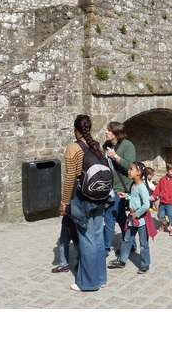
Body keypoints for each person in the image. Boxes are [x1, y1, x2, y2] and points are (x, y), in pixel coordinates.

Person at [65, 114, 107, 293]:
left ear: (76, 130)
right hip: (100, 197)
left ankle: (88, 283)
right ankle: (100, 277)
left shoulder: (73, 148)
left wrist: (64, 202)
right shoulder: (96, 146)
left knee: (87, 239)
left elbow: (69, 178)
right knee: (97, 237)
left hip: (83, 198)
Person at [108, 162, 153, 274]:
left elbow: (146, 205)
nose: (128, 171)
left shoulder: (142, 187)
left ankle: (145, 263)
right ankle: (122, 260)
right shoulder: (133, 185)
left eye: (131, 169)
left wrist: (137, 214)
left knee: (143, 243)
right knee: (127, 240)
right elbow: (134, 197)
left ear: (138, 172)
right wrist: (126, 196)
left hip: (141, 220)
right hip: (132, 219)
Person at [102, 121, 137, 256]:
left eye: (109, 130)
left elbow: (129, 166)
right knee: (121, 217)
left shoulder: (128, 146)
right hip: (108, 188)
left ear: (116, 133)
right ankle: (131, 244)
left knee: (110, 217)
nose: (106, 132)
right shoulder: (106, 145)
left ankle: (104, 249)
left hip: (120, 188)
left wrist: (115, 156)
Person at [151, 162, 172, 236]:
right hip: (163, 202)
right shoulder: (162, 179)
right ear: (167, 170)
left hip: (171, 202)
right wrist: (154, 196)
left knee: (171, 215)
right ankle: (165, 223)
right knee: (160, 215)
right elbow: (158, 189)